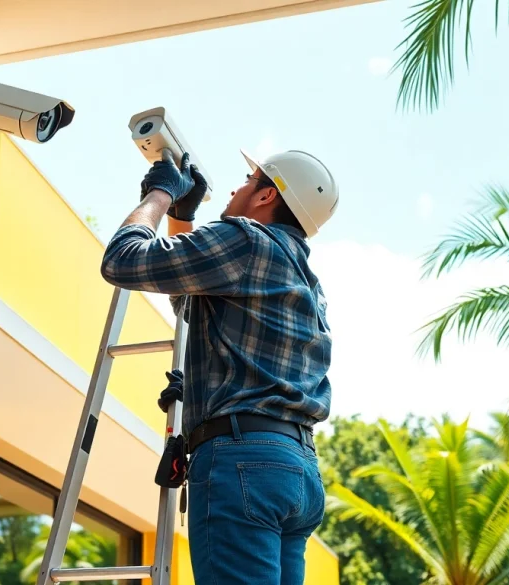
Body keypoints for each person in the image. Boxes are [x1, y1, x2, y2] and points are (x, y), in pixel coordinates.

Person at [99, 147, 338, 585]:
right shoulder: (305, 278)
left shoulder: (246, 240)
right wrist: (183, 219)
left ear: (267, 197)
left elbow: (123, 261)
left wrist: (160, 195)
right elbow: (191, 300)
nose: (236, 187)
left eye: (249, 180)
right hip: (297, 471)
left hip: (244, 461)